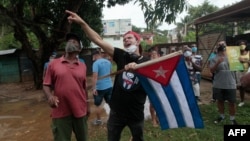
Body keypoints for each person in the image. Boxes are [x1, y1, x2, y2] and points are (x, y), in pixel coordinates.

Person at [66, 10, 149, 141]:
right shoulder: (121, 55)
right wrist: (82, 23)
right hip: (117, 112)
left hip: (136, 112)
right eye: (124, 39)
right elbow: (98, 39)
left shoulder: (147, 63)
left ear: (138, 41)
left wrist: (137, 69)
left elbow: (156, 84)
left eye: (129, 38)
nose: (126, 40)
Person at [43, 33, 90, 141]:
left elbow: (84, 87)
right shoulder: (53, 64)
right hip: (60, 111)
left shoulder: (82, 66)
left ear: (79, 48)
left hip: (80, 110)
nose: (70, 43)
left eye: (74, 42)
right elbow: (46, 84)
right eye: (69, 41)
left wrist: (88, 106)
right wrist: (50, 96)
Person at [209, 41, 237, 125]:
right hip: (219, 83)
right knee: (220, 101)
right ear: (217, 47)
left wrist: (240, 62)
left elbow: (239, 68)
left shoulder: (233, 56)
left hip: (230, 83)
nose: (221, 46)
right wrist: (218, 62)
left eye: (223, 44)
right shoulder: (214, 58)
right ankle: (221, 116)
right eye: (219, 45)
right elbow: (211, 71)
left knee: (232, 102)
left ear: (226, 46)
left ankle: (232, 119)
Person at [91, 50, 113, 125]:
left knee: (98, 105)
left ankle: (99, 120)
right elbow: (110, 73)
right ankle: (112, 118)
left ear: (94, 56)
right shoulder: (108, 62)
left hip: (99, 88)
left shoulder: (96, 63)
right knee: (110, 103)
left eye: (92, 57)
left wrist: (94, 88)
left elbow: (95, 77)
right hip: (109, 86)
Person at [148, 50, 160, 127]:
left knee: (160, 103)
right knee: (152, 104)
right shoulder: (148, 64)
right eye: (152, 54)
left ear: (158, 55)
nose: (153, 55)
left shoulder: (161, 62)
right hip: (151, 86)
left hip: (160, 86)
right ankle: (153, 119)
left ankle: (158, 117)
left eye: (155, 54)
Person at [236, 41, 249, 107]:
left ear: (246, 45)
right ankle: (242, 101)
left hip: (248, 72)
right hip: (239, 71)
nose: (242, 45)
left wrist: (245, 61)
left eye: (243, 44)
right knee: (241, 87)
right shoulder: (236, 54)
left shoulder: (249, 53)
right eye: (240, 44)